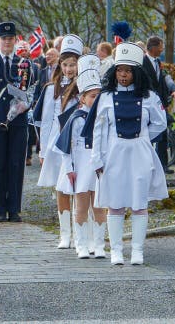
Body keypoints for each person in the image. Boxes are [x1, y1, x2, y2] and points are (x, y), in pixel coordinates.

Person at [87, 42, 168, 265]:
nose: (123, 75)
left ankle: (138, 251)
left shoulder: (150, 96)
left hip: (140, 153)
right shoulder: (105, 97)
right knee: (115, 202)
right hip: (114, 153)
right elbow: (99, 130)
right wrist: (97, 158)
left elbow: (160, 124)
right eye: (120, 70)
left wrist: (142, 137)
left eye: (128, 71)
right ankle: (116, 251)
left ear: (136, 73)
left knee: (139, 202)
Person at [0, 21, 39, 222]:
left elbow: (30, 92)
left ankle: (14, 208)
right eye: (3, 39)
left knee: (15, 164)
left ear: (15, 40)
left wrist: (26, 105)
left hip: (18, 120)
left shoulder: (24, 64)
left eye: (10, 38)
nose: (7, 42)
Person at [55, 54, 105, 258]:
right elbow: (67, 147)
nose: (96, 100)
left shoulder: (104, 116)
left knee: (100, 205)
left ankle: (99, 244)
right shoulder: (76, 119)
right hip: (81, 166)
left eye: (98, 96)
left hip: (99, 166)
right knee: (81, 205)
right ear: (83, 98)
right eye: (92, 96)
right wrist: (69, 169)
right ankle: (81, 244)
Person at [34, 34, 82, 248]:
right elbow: (46, 121)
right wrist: (43, 150)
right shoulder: (50, 88)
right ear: (60, 65)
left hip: (80, 142)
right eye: (66, 64)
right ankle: (65, 234)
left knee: (82, 187)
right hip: (57, 142)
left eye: (73, 64)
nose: (70, 69)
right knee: (61, 188)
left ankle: (82, 230)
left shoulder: (86, 88)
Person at [142, 36, 175, 173]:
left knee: (163, 133)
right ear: (153, 47)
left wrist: (172, 90)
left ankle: (163, 165)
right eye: (161, 46)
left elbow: (162, 80)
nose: (162, 49)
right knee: (148, 135)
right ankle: (147, 165)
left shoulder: (158, 62)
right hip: (147, 103)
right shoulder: (142, 62)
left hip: (160, 104)